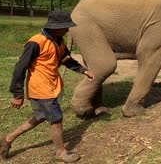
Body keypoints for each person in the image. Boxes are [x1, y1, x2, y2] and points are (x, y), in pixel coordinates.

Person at [0, 11, 95, 163]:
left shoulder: (59, 41)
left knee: (40, 116)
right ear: (55, 27)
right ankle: (60, 152)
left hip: (51, 86)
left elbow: (66, 59)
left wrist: (84, 70)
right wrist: (17, 94)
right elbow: (20, 67)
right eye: (65, 26)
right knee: (56, 118)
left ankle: (8, 139)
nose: (67, 29)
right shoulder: (36, 42)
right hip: (41, 89)